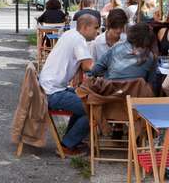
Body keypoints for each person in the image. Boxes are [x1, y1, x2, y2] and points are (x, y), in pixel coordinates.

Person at [39, 13, 100, 156]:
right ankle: (67, 145)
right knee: (92, 107)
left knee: (86, 99)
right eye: (96, 28)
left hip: (48, 88)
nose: (98, 31)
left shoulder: (70, 34)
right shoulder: (78, 39)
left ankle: (71, 140)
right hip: (53, 92)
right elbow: (88, 66)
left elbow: (80, 64)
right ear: (85, 27)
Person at [90, 23, 157, 84]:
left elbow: (95, 70)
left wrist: (109, 74)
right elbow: (152, 84)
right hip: (135, 94)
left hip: (111, 94)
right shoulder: (150, 56)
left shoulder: (115, 48)